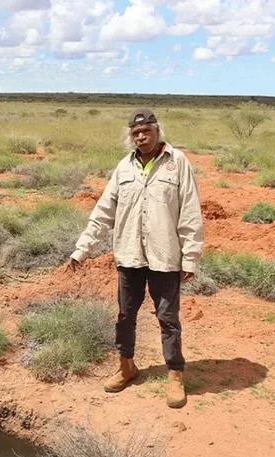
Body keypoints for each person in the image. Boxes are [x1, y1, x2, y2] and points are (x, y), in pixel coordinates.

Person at [67, 108, 204, 409]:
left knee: (168, 318)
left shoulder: (177, 163)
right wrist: (82, 249)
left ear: (158, 132)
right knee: (125, 316)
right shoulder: (123, 168)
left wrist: (190, 257)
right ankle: (126, 366)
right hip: (129, 255)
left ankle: (175, 375)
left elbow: (191, 213)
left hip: (165, 257)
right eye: (136, 133)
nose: (142, 137)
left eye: (147, 132)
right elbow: (103, 212)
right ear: (131, 136)